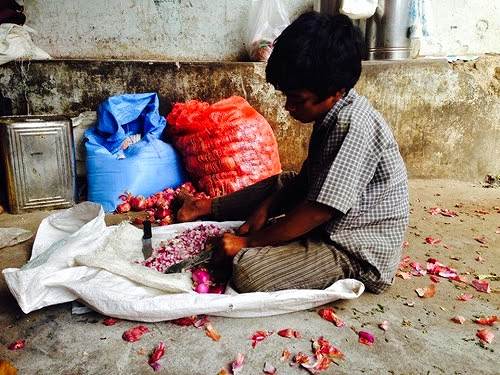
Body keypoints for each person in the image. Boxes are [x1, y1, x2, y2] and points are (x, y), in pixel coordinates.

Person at [177, 11, 409, 294]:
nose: (288, 107)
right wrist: (266, 208)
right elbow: (304, 183)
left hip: (355, 250)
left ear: (335, 91)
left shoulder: (354, 125)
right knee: (283, 182)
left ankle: (252, 245)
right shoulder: (332, 116)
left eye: (298, 100)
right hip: (329, 225)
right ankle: (203, 207)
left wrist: (249, 242)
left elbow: (316, 212)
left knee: (248, 271)